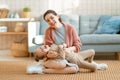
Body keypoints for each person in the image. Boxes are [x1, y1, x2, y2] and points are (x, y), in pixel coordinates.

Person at [35, 10, 108, 73]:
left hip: (72, 55)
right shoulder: (48, 31)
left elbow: (77, 45)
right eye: (48, 20)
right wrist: (49, 55)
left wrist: (69, 49)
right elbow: (48, 47)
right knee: (72, 67)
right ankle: (90, 66)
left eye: (52, 18)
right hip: (59, 59)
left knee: (83, 58)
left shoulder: (70, 28)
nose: (51, 21)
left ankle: (91, 65)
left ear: (57, 16)